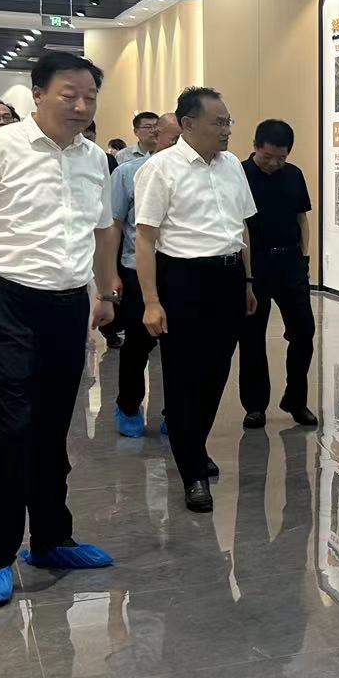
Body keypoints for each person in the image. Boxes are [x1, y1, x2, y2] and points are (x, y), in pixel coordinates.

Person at [0, 52, 120, 606]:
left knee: (55, 429)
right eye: (69, 94)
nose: (81, 106)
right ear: (37, 93)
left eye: (89, 97)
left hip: (68, 304)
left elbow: (102, 231)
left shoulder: (94, 159)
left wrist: (104, 292)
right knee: (12, 430)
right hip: (6, 301)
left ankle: (52, 539)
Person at [134, 87, 258, 513]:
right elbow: (145, 240)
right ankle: (192, 474)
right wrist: (151, 301)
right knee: (185, 378)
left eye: (228, 122)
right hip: (183, 280)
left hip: (228, 277)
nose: (226, 130)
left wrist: (248, 281)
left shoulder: (232, 166)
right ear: (188, 124)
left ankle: (194, 445)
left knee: (216, 374)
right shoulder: (160, 169)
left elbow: (242, 228)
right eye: (218, 123)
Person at [238, 118, 319, 428]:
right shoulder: (240, 174)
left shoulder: (294, 174)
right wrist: (247, 277)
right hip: (254, 265)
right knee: (252, 337)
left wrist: (305, 259)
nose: (274, 163)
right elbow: (240, 227)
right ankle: (255, 405)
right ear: (256, 147)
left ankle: (296, 400)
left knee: (304, 332)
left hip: (290, 263)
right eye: (267, 156)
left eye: (281, 157)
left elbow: (302, 220)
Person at [109, 112, 180, 437]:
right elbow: (114, 226)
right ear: (156, 137)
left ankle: (174, 412)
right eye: (173, 139)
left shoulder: (191, 173)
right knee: (138, 344)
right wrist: (110, 274)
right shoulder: (128, 173)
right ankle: (128, 406)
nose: (179, 145)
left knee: (177, 347)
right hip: (136, 269)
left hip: (177, 270)